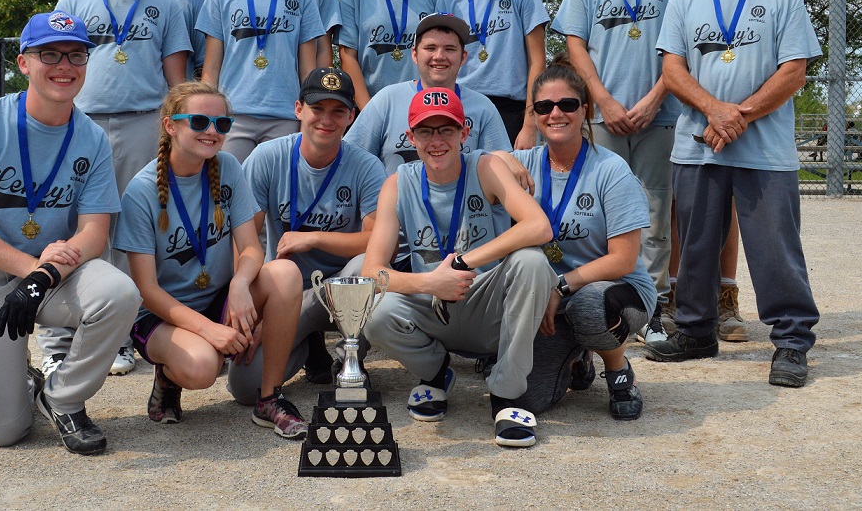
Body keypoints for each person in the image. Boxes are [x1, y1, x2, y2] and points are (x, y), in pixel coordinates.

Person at [0, 11, 141, 455]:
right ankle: (18, 378)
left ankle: (61, 397)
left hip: (54, 275)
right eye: (50, 54)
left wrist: (42, 277)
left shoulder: (91, 138)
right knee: (5, 433)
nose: (64, 65)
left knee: (119, 292)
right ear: (23, 63)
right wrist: (31, 269)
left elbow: (93, 232)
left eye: (76, 55)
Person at [649, 0, 821, 388]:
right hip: (698, 143)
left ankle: (790, 341)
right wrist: (714, 111)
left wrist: (736, 116)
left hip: (763, 148)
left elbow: (793, 72)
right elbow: (673, 69)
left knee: (774, 246)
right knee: (698, 243)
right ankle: (696, 331)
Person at [362, 87, 557, 448]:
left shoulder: (485, 166)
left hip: (487, 303)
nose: (436, 141)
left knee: (532, 261)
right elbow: (372, 272)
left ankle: (507, 395)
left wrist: (466, 261)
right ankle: (436, 373)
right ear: (410, 137)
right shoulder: (397, 183)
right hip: (435, 307)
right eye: (425, 131)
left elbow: (538, 226)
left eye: (446, 130)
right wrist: (430, 281)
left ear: (464, 133)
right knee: (374, 310)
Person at [113, 81, 308, 438]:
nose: (212, 132)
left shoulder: (228, 167)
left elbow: (251, 248)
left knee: (285, 274)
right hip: (162, 315)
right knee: (204, 367)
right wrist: (209, 331)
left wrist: (239, 283)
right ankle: (168, 378)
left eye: (222, 124)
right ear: (171, 126)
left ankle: (269, 398)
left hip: (217, 299)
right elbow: (146, 289)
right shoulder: (141, 191)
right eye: (200, 122)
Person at [49, 0, 190, 377]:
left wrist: (174, 129)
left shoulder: (166, 5)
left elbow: (176, 76)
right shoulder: (73, 0)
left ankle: (124, 331)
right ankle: (61, 332)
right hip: (83, 122)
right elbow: (57, 67)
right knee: (77, 221)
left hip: (143, 120)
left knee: (132, 224)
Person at [552, 0, 685, 344]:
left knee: (653, 212)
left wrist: (653, 98)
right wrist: (603, 99)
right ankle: (603, 300)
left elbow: (680, 48)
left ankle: (651, 309)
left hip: (659, 114)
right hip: (605, 116)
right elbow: (575, 44)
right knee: (603, 215)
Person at [504, 55, 656, 420]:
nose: (556, 113)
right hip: (548, 299)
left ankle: (618, 370)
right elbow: (474, 162)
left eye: (567, 104)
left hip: (610, 290)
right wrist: (499, 158)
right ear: (534, 115)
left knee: (589, 307)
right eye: (544, 106)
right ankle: (577, 355)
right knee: (525, 399)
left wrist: (559, 287)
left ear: (585, 111)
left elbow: (623, 259)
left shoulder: (610, 169)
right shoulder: (522, 164)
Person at [232, 67, 386, 397]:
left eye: (338, 111)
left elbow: (377, 238)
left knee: (366, 268)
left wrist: (314, 237)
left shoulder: (366, 165)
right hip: (288, 293)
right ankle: (305, 345)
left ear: (351, 117)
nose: (326, 120)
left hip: (340, 286)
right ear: (299, 109)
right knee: (246, 388)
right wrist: (248, 296)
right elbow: (244, 239)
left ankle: (350, 356)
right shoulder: (267, 157)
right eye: (317, 109)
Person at [664, 0, 748, 343]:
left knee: (728, 205)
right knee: (682, 207)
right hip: (679, 109)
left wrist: (731, 113)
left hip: (735, 116)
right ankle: (681, 294)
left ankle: (726, 296)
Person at [198, 0, 325, 163]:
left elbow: (308, 70)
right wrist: (210, 117)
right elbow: (211, 67)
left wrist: (308, 118)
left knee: (278, 199)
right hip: (233, 117)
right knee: (228, 196)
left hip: (284, 116)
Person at [345, 12, 510, 176]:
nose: (439, 56)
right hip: (395, 200)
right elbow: (349, 158)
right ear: (414, 54)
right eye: (430, 48)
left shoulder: (483, 107)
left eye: (450, 49)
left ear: (463, 57)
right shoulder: (387, 100)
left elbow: (502, 170)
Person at [435, 0, 549, 148]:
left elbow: (538, 59)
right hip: (462, 102)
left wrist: (530, 123)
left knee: (507, 178)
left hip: (511, 107)